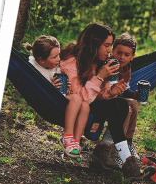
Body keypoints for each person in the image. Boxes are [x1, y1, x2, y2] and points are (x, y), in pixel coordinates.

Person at [60, 23, 142, 172]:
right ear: (94, 44)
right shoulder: (72, 62)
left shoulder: (96, 61)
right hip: (73, 105)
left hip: (88, 102)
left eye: (110, 45)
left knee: (121, 104)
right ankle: (126, 158)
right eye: (106, 45)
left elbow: (98, 95)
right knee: (114, 105)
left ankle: (104, 151)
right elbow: (81, 97)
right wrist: (99, 76)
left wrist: (112, 92)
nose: (110, 51)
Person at [24, 35, 89, 159]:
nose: (58, 59)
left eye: (59, 55)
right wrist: (50, 87)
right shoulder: (33, 68)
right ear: (41, 60)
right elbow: (37, 90)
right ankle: (67, 136)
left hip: (58, 99)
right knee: (76, 99)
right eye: (54, 57)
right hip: (48, 102)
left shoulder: (53, 66)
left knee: (85, 106)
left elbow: (61, 89)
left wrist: (66, 86)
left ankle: (75, 143)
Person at [94, 32, 140, 165]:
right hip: (103, 98)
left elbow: (124, 89)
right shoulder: (108, 64)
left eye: (127, 55)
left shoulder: (127, 68)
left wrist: (134, 94)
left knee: (134, 103)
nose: (122, 57)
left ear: (132, 57)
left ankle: (128, 141)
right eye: (119, 52)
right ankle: (109, 146)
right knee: (128, 108)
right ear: (113, 51)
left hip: (115, 96)